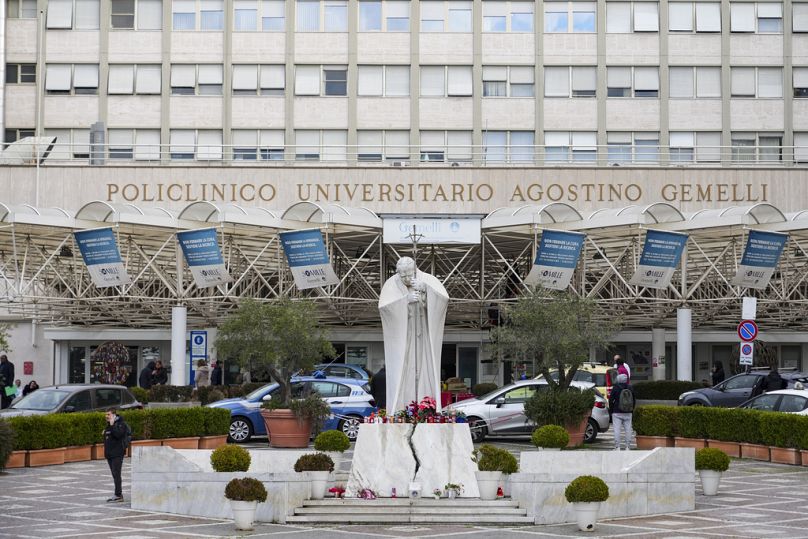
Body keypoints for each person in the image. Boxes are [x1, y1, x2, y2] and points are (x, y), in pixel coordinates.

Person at [378, 256, 449, 413]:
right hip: (404, 336)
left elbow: (443, 300)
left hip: (424, 335)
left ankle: (426, 407)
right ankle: (402, 408)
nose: (406, 279)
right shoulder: (391, 284)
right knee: (405, 368)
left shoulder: (428, 280)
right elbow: (384, 308)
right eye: (402, 275)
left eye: (409, 275)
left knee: (425, 366)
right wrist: (405, 301)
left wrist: (426, 289)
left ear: (415, 270)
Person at [103, 408, 129, 503]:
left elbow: (118, 435)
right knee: (114, 474)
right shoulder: (109, 425)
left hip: (117, 454)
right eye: (106, 414)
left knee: (117, 474)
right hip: (110, 454)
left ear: (114, 415)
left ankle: (118, 495)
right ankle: (117, 494)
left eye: (108, 414)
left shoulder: (121, 424)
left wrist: (112, 425)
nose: (106, 416)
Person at [609, 373, 635, 450]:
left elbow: (611, 400)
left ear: (618, 379)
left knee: (617, 429)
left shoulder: (615, 388)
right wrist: (632, 409)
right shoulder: (630, 387)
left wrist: (611, 410)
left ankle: (617, 447)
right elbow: (634, 400)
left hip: (617, 411)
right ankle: (628, 446)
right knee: (628, 429)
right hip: (628, 412)